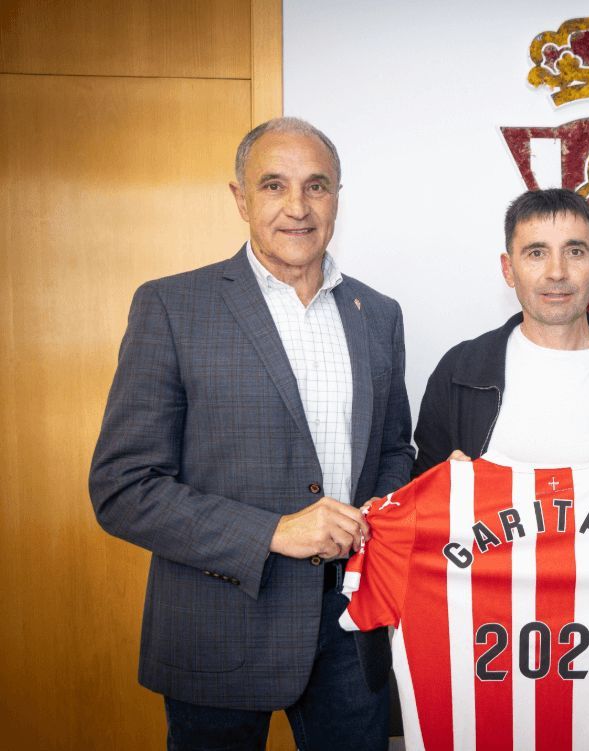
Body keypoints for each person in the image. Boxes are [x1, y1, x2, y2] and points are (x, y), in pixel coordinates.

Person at [89, 117, 414, 751]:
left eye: (317, 186)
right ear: (240, 198)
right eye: (274, 186)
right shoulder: (172, 307)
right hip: (219, 628)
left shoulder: (377, 313)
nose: (297, 207)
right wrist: (273, 532)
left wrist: (380, 513)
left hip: (353, 628)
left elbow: (393, 449)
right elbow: (122, 488)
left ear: (338, 197)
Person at [412, 187, 589, 474]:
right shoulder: (460, 369)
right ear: (508, 269)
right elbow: (420, 494)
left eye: (574, 252)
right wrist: (438, 486)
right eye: (536, 253)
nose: (557, 272)